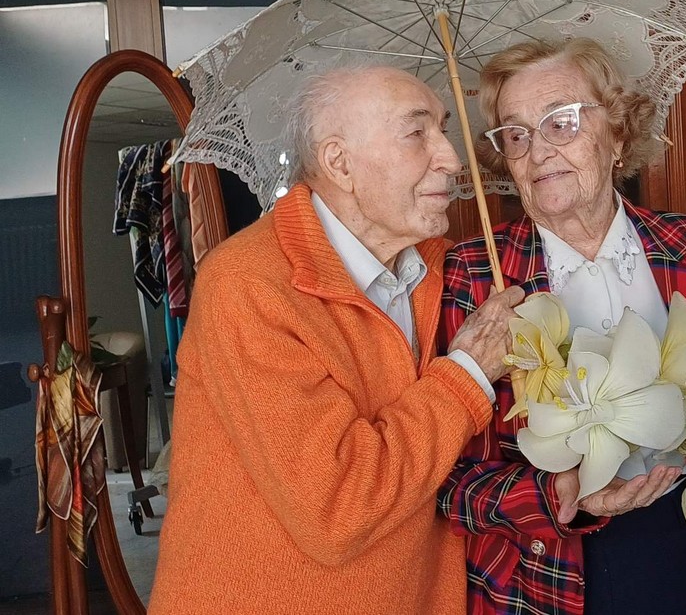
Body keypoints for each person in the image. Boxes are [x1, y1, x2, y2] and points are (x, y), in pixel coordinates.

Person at [149, 66, 525, 615]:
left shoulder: (449, 266)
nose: (451, 158)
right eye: (417, 133)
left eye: (443, 130)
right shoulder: (247, 284)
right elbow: (338, 508)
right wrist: (468, 374)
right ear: (339, 163)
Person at [438, 39, 686, 615]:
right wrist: (561, 492)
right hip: (549, 576)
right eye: (516, 134)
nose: (538, 151)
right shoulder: (473, 277)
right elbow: (447, 482)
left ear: (618, 135)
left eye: (562, 122)